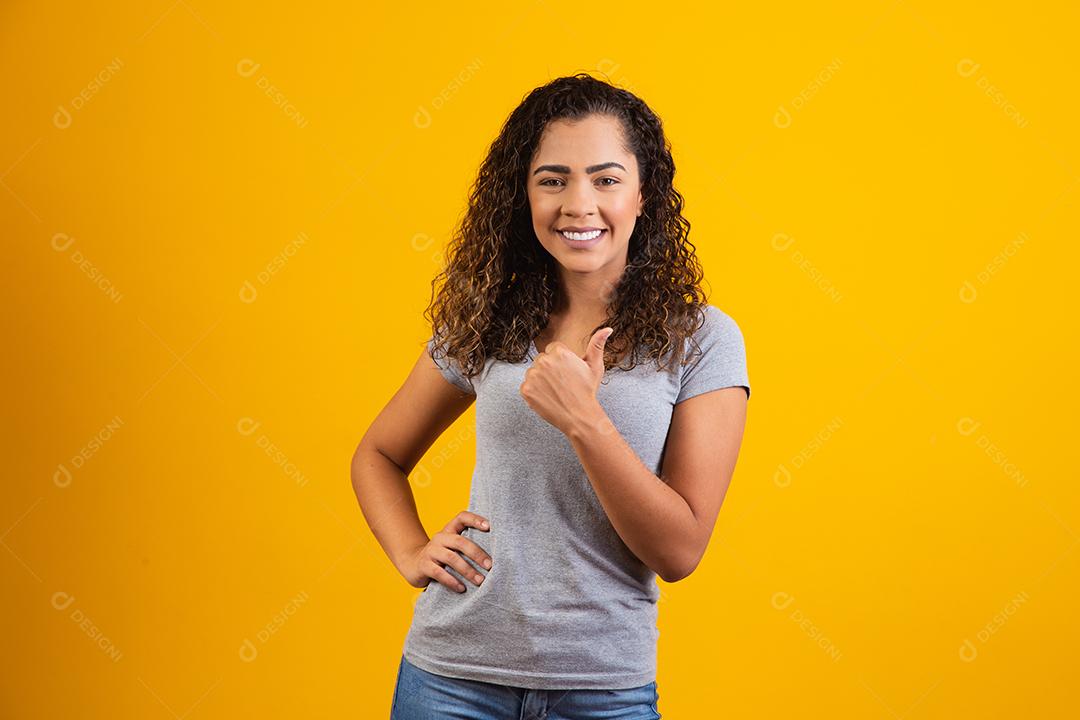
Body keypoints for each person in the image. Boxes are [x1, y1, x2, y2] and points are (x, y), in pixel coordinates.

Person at [351, 72, 751, 719]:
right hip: (450, 678)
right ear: (524, 195)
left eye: (606, 179)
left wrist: (585, 420)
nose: (578, 204)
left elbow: (679, 552)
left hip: (603, 689)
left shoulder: (702, 338)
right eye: (553, 180)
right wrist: (410, 550)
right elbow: (379, 455)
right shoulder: (487, 319)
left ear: (644, 194)